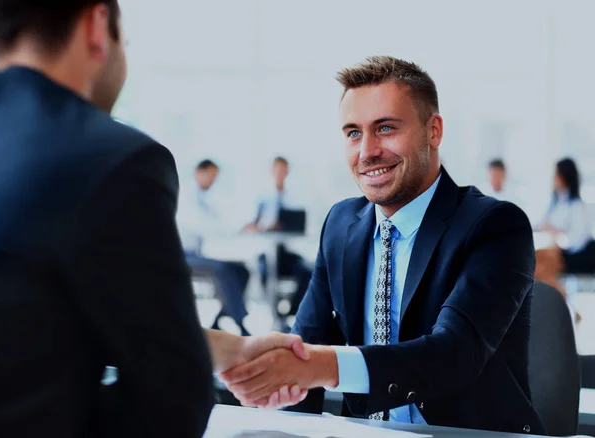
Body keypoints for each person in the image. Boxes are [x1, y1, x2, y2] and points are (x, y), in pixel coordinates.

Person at [0, 2, 306, 436]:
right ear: (98, 25)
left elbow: (37, 322)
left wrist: (228, 350)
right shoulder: (111, 158)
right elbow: (171, 400)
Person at [220, 56, 545, 435]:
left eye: (386, 128)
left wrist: (318, 367)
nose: (367, 151)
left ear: (434, 130)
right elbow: (306, 346)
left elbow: (453, 355)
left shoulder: (493, 226)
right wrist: (276, 389)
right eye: (353, 133)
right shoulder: (341, 225)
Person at [179, 159, 251, 335]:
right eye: (211, 176)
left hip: (197, 254)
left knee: (242, 270)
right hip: (182, 255)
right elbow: (204, 226)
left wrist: (240, 227)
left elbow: (218, 222)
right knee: (223, 269)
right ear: (199, 172)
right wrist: (237, 229)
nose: (213, 181)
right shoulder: (185, 196)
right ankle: (240, 324)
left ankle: (220, 319)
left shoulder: (204, 198)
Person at [244, 157, 312, 324]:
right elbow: (250, 225)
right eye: (277, 170)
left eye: (284, 170)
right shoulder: (261, 197)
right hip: (266, 253)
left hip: (286, 252)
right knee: (265, 272)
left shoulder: (294, 198)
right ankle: (275, 316)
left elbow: (301, 224)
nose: (280, 174)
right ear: (271, 172)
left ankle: (290, 313)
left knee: (308, 272)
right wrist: (266, 226)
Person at [534, 158, 595, 298]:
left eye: (557, 175)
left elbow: (577, 240)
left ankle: (564, 306)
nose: (554, 179)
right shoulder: (556, 202)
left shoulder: (577, 206)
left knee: (538, 266)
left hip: (573, 255)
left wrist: (557, 232)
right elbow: (541, 224)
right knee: (533, 263)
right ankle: (564, 306)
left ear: (564, 176)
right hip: (556, 250)